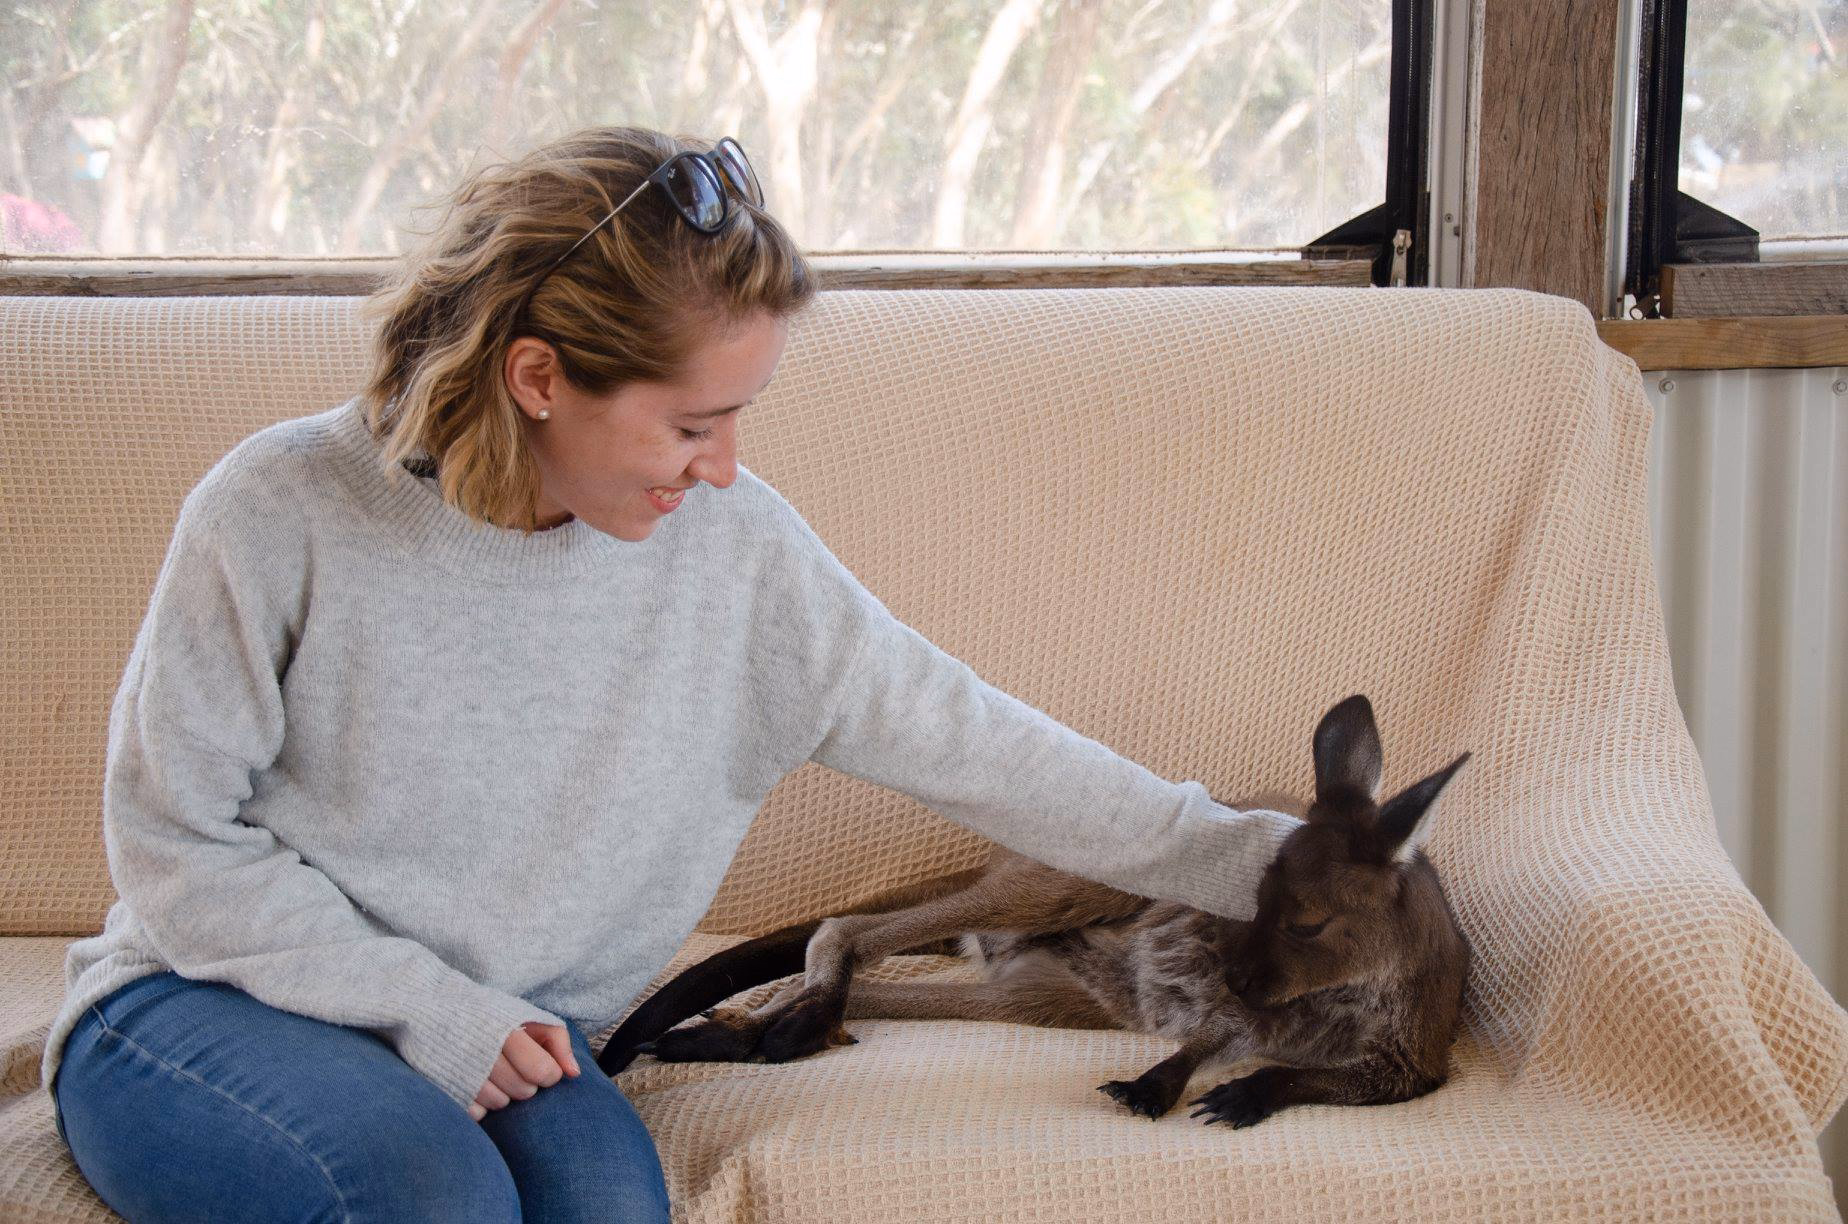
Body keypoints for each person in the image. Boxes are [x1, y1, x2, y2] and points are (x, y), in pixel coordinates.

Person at [41, 125, 1303, 1223]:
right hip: (207, 1006)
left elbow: (984, 748)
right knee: (429, 1201)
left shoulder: (740, 565)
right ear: (539, 378)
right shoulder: (281, 509)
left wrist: (1276, 866)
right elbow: (175, 841)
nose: (724, 467)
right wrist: (424, 1006)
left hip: (517, 1040)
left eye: (739, 418)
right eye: (692, 424)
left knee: (601, 1202)